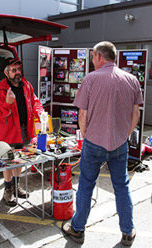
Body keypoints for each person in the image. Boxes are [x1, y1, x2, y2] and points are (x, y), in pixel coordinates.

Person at [62, 41, 142, 246]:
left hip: (94, 142)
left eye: (92, 57)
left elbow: (82, 114)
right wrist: (125, 135)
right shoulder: (132, 80)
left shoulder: (90, 79)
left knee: (86, 185)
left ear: (98, 56)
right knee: (122, 187)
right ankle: (127, 231)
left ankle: (78, 229)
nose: (91, 60)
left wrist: (88, 136)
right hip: (119, 143)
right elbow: (136, 114)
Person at [0, 57, 44, 206]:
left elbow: (35, 101)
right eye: (13, 70)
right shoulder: (0, 89)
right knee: (8, 161)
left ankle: (16, 186)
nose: (17, 73)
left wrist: (40, 112)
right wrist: (8, 103)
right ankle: (7, 190)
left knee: (20, 159)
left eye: (18, 69)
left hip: (25, 129)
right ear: (6, 72)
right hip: (8, 132)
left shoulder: (26, 85)